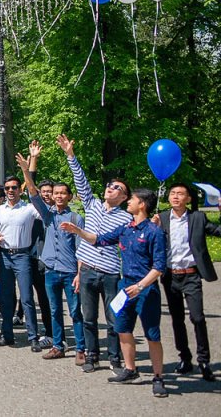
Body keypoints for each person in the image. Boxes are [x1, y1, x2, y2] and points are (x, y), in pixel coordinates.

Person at [61, 188, 168, 398]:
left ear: (142, 205)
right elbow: (99, 239)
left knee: (152, 335)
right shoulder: (126, 228)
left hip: (145, 289)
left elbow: (159, 266)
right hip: (125, 287)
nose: (129, 202)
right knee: (122, 328)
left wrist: (141, 286)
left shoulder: (154, 232)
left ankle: (158, 377)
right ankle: (130, 369)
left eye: (133, 200)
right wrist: (78, 231)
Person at [57, 134, 131, 373]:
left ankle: (115, 358)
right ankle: (92, 356)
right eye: (110, 185)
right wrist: (70, 156)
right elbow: (81, 183)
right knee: (88, 318)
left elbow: (108, 242)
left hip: (109, 273)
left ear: (124, 197)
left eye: (116, 188)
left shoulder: (126, 218)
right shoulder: (93, 205)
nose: (110, 188)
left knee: (112, 318)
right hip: (87, 271)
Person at [17, 143, 85, 362]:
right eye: (56, 193)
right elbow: (33, 195)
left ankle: (82, 349)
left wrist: (79, 274)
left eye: (63, 193)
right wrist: (27, 171)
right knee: (55, 310)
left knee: (74, 312)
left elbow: (82, 250)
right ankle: (58, 345)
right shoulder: (48, 216)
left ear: (69, 196)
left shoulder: (75, 218)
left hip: (69, 271)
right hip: (51, 270)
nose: (58, 196)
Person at [157, 183, 221, 381]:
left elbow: (218, 230)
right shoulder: (162, 218)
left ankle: (204, 361)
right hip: (170, 275)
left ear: (189, 199)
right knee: (177, 319)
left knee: (198, 317)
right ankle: (184, 357)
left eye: (180, 194)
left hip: (191, 275)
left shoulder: (197, 218)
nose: (175, 197)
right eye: (173, 193)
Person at [0, 172, 42, 351]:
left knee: (27, 298)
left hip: (22, 255)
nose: (10, 191)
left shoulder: (29, 208)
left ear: (19, 189)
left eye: (14, 187)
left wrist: (28, 172)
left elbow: (43, 210)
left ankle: (33, 337)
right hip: (4, 256)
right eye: (7, 188)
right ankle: (7, 335)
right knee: (6, 298)